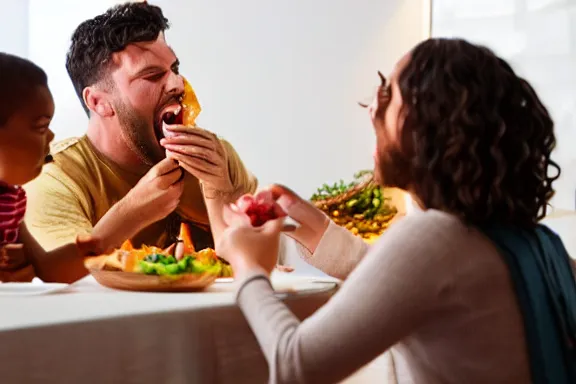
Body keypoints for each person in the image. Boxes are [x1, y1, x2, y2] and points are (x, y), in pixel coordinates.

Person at [216, 38, 576, 383]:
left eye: (387, 95)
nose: (372, 108)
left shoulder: (435, 239)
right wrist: (320, 232)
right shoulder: (542, 247)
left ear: (435, 124)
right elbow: (420, 282)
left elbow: (294, 365)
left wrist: (247, 266)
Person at [24, 2, 256, 281]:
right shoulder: (53, 177)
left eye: (174, 69)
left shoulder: (217, 158)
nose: (177, 84)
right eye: (153, 75)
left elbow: (268, 268)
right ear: (98, 102)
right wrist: (131, 213)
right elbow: (71, 285)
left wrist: (223, 194)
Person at [0, 52, 128, 283]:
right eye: (40, 127)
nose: (51, 136)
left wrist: (96, 247)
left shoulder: (11, 201)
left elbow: (49, 270)